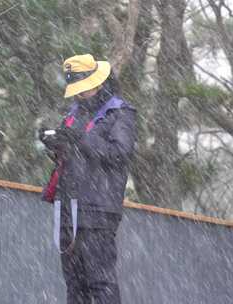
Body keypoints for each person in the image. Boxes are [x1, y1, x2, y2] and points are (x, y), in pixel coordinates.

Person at [38, 54, 137, 304]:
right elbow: (73, 156)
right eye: (76, 90)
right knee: (75, 284)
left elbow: (119, 154)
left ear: (97, 82)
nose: (79, 94)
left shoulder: (120, 113)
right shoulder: (74, 112)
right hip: (68, 208)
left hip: (99, 210)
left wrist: (80, 138)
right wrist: (54, 144)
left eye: (83, 89)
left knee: (100, 282)